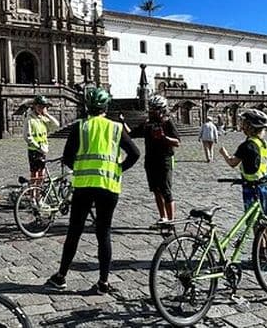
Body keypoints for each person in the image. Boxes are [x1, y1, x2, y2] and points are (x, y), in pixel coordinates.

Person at [46, 87, 140, 295]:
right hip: (108, 186)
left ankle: (61, 276)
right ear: (106, 107)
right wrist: (118, 169)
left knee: (74, 231)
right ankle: (103, 282)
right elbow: (135, 153)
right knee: (103, 233)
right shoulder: (115, 128)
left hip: (84, 186)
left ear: (87, 107)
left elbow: (67, 158)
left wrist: (80, 168)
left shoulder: (80, 127)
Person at [130, 95, 181, 229]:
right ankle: (163, 218)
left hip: (164, 159)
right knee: (156, 190)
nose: (152, 112)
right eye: (151, 109)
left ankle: (171, 222)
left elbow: (177, 142)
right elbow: (132, 134)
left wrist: (164, 137)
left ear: (162, 110)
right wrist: (122, 123)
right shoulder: (147, 123)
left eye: (155, 110)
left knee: (166, 191)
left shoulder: (167, 122)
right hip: (150, 160)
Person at [218, 109, 267, 216]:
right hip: (263, 184)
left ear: (250, 127)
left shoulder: (246, 146)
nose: (242, 126)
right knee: (263, 216)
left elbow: (232, 163)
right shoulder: (264, 144)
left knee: (251, 218)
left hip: (251, 186)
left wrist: (224, 153)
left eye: (245, 123)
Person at [23, 95, 60, 186]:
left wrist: (47, 114)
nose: (41, 109)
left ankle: (39, 192)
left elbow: (56, 125)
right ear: (34, 106)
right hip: (34, 150)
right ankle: (33, 193)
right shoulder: (30, 119)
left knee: (42, 174)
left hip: (43, 150)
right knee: (34, 175)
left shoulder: (43, 118)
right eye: (39, 106)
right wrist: (38, 147)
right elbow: (27, 136)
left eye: (43, 107)